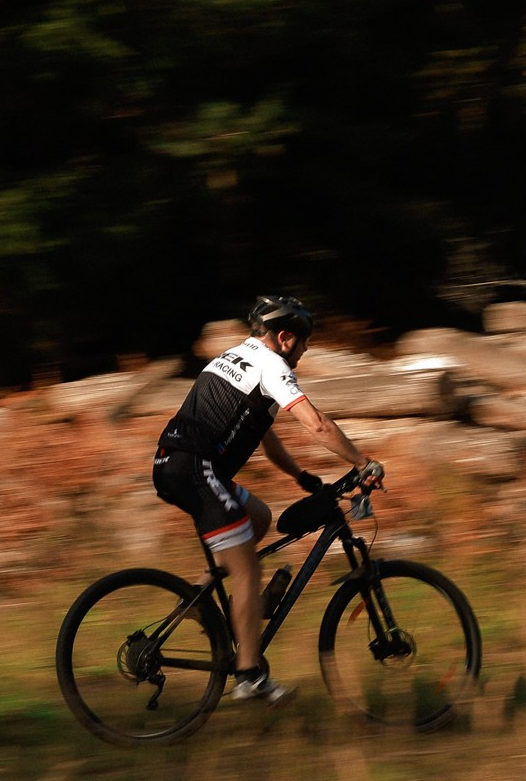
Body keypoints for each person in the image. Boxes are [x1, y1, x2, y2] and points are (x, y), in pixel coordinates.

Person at [152, 295, 379, 704]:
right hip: (195, 469)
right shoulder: (272, 366)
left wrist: (301, 475)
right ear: (285, 336)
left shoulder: (239, 357)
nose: (306, 350)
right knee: (247, 571)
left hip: (181, 464)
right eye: (305, 341)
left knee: (257, 517)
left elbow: (266, 438)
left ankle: (199, 603)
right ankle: (250, 675)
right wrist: (363, 462)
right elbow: (319, 425)